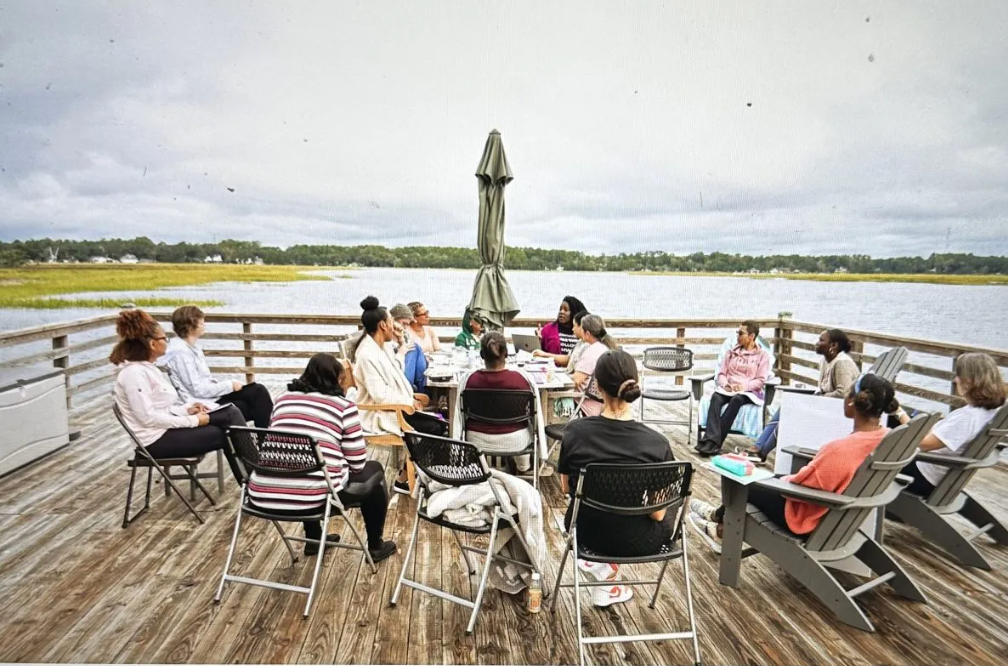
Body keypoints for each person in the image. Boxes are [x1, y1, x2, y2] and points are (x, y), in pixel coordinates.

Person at [689, 374, 899, 553]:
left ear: (853, 402)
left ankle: (720, 532)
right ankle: (717, 516)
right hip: (840, 518)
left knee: (744, 484)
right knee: (768, 478)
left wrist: (783, 479)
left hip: (806, 516)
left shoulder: (841, 450)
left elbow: (797, 486)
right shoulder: (886, 440)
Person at [246, 354, 396, 561]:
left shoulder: (282, 401)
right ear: (337, 380)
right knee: (375, 471)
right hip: (313, 501)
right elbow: (358, 464)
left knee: (302, 464)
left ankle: (314, 539)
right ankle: (376, 546)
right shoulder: (343, 407)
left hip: (261, 494)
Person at [558, 349, 674, 607]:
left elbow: (566, 489)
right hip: (639, 542)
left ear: (597, 387)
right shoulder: (657, 444)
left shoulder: (575, 432)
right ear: (635, 384)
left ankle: (602, 573)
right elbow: (657, 515)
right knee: (672, 502)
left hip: (585, 533)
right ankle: (607, 579)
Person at [110, 309, 245, 484]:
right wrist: (194, 421)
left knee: (229, 415)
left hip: (163, 431)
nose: (167, 342)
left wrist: (187, 410)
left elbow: (161, 408)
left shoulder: (147, 368)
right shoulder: (134, 374)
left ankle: (251, 479)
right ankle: (255, 477)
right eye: (164, 338)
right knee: (226, 428)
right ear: (152, 344)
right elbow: (148, 418)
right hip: (154, 442)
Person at [352, 296, 448, 494]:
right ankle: (407, 478)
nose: (395, 325)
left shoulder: (382, 346)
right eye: (391, 322)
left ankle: (416, 474)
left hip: (398, 406)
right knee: (436, 428)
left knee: (441, 424)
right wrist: (408, 402)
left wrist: (400, 338)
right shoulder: (367, 355)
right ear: (382, 325)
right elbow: (380, 396)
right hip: (380, 413)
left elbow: (396, 368)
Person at [894, 352, 1007, 496]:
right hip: (940, 474)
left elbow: (922, 444)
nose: (955, 380)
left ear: (969, 381)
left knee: (871, 452)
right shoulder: (992, 412)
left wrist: (898, 412)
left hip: (922, 476)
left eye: (958, 376)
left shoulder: (967, 417)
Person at [752, 328, 859, 461]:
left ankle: (762, 451)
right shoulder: (826, 361)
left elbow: (844, 393)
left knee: (792, 414)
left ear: (833, 345)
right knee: (786, 406)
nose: (816, 343)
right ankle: (758, 447)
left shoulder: (842, 363)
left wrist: (818, 399)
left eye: (821, 340)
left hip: (838, 413)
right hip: (826, 405)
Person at [161, 305, 274, 428]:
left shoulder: (192, 347)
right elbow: (197, 389)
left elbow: (204, 382)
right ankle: (260, 442)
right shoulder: (180, 353)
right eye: (202, 323)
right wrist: (229, 385)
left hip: (211, 396)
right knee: (253, 406)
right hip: (199, 403)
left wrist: (228, 386)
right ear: (190, 327)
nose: (204, 326)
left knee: (258, 392)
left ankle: (260, 441)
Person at [695, 321, 772, 457]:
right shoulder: (731, 353)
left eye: (741, 333)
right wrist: (726, 384)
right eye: (737, 332)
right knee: (716, 397)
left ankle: (714, 443)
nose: (738, 335)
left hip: (748, 392)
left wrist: (743, 386)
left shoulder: (762, 356)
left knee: (736, 400)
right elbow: (721, 374)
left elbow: (760, 381)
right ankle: (711, 441)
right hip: (729, 389)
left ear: (751, 336)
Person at [461, 331, 535, 464]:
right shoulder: (521, 380)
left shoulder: (470, 381)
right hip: (515, 440)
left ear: (482, 355)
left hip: (476, 440)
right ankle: (523, 465)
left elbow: (460, 415)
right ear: (506, 354)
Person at [571, 314, 620, 418]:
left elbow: (576, 381)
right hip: (605, 402)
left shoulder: (592, 352)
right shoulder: (607, 348)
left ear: (587, 333)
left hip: (587, 405)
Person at [389, 303, 428, 393]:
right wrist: (402, 349)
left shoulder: (404, 335)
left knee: (416, 349)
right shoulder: (387, 336)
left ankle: (422, 389)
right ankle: (423, 391)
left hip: (401, 370)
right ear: (393, 320)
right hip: (397, 378)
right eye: (403, 323)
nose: (405, 327)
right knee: (416, 349)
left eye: (407, 324)